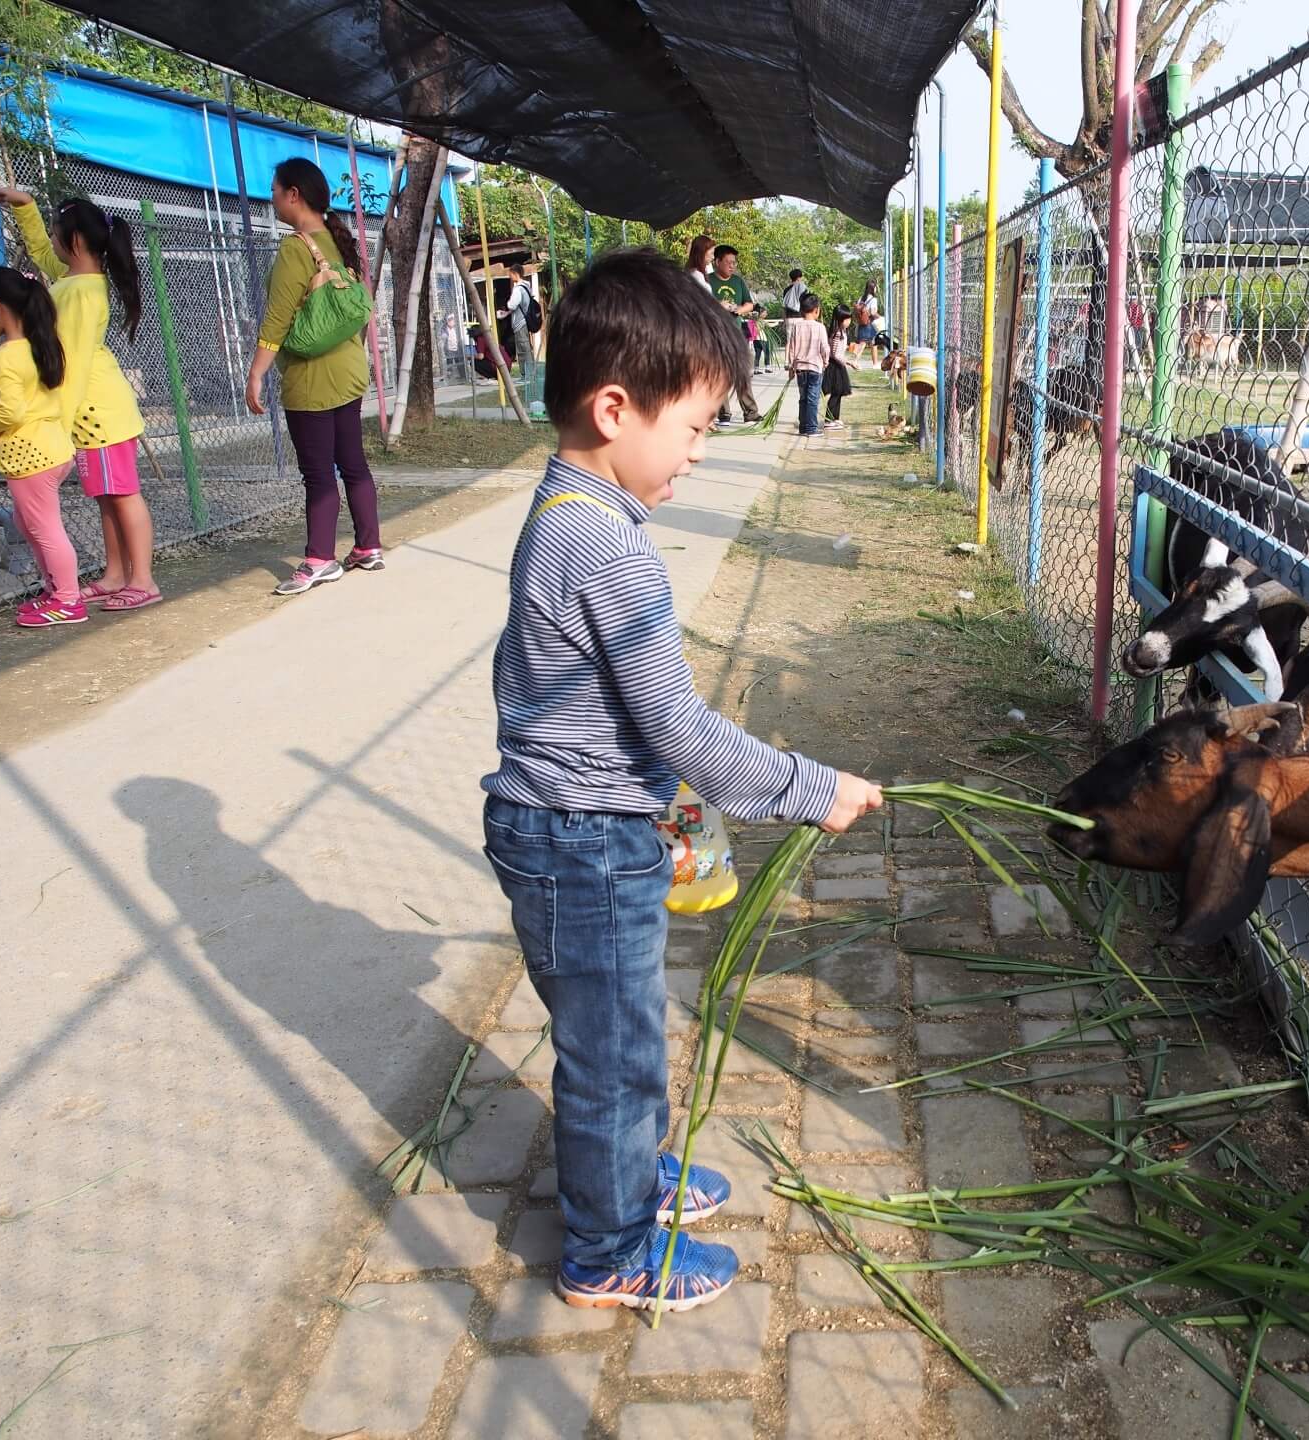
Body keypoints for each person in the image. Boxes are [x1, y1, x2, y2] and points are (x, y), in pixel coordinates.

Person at [481, 248, 881, 1312]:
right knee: (610, 1052)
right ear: (616, 408)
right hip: (578, 840)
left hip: (576, 827)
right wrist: (808, 787)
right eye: (695, 427)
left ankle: (631, 1173)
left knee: (624, 1025)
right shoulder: (603, 546)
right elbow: (677, 722)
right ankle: (604, 1251)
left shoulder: (572, 517)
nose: (700, 454)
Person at [0, 187, 156, 611]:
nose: (53, 243)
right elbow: (46, 256)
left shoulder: (82, 293)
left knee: (123, 495)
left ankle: (143, 579)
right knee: (106, 496)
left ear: (75, 242)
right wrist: (26, 207)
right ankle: (117, 573)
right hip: (88, 415)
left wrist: (57, 425)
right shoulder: (73, 280)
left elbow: (76, 364)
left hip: (99, 413)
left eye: (57, 233)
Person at [245, 157, 382, 595]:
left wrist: (256, 376)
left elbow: (277, 321)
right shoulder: (340, 240)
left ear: (293, 195)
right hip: (348, 370)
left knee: (319, 473)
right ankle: (368, 546)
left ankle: (320, 558)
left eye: (274, 189)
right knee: (354, 463)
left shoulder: (294, 248)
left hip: (312, 379)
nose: (271, 197)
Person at [0, 266, 80, 626]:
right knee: (29, 522)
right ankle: (55, 592)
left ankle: (67, 599)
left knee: (45, 528)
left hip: (29, 457)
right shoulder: (40, 342)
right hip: (52, 450)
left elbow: (10, 412)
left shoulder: (5, 357)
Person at [707, 245, 759, 426]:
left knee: (742, 372)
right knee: (720, 374)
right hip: (715, 334)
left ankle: (751, 413)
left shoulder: (738, 282)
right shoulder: (707, 281)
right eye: (728, 262)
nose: (732, 266)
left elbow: (749, 304)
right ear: (717, 262)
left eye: (734, 262)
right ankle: (724, 414)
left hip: (736, 333)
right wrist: (717, 306)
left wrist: (739, 309)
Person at [784, 292, 828, 437]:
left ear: (802, 310)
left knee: (803, 398)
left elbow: (792, 347)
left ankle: (803, 426)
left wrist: (791, 366)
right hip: (815, 368)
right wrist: (825, 361)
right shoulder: (820, 327)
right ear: (817, 310)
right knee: (812, 398)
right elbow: (824, 348)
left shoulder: (797, 326)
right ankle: (811, 428)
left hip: (800, 369)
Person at [506, 262, 538, 396]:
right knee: (525, 347)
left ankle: (527, 375)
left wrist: (507, 304)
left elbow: (512, 304)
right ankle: (527, 373)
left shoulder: (518, 289)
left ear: (515, 274)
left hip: (520, 322)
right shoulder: (527, 286)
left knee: (523, 348)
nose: (510, 276)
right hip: (524, 321)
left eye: (510, 274)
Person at [822, 305, 854, 430]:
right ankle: (829, 419)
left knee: (839, 392)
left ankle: (835, 418)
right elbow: (835, 354)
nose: (849, 322)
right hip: (835, 366)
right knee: (836, 392)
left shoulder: (842, 332)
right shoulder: (837, 333)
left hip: (839, 365)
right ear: (840, 319)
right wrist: (849, 362)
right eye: (847, 319)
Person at [849, 278, 878, 361]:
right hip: (869, 323)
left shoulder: (861, 298)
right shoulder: (873, 299)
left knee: (870, 342)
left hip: (861, 323)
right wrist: (880, 317)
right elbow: (873, 312)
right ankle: (855, 360)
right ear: (873, 288)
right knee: (864, 343)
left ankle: (874, 363)